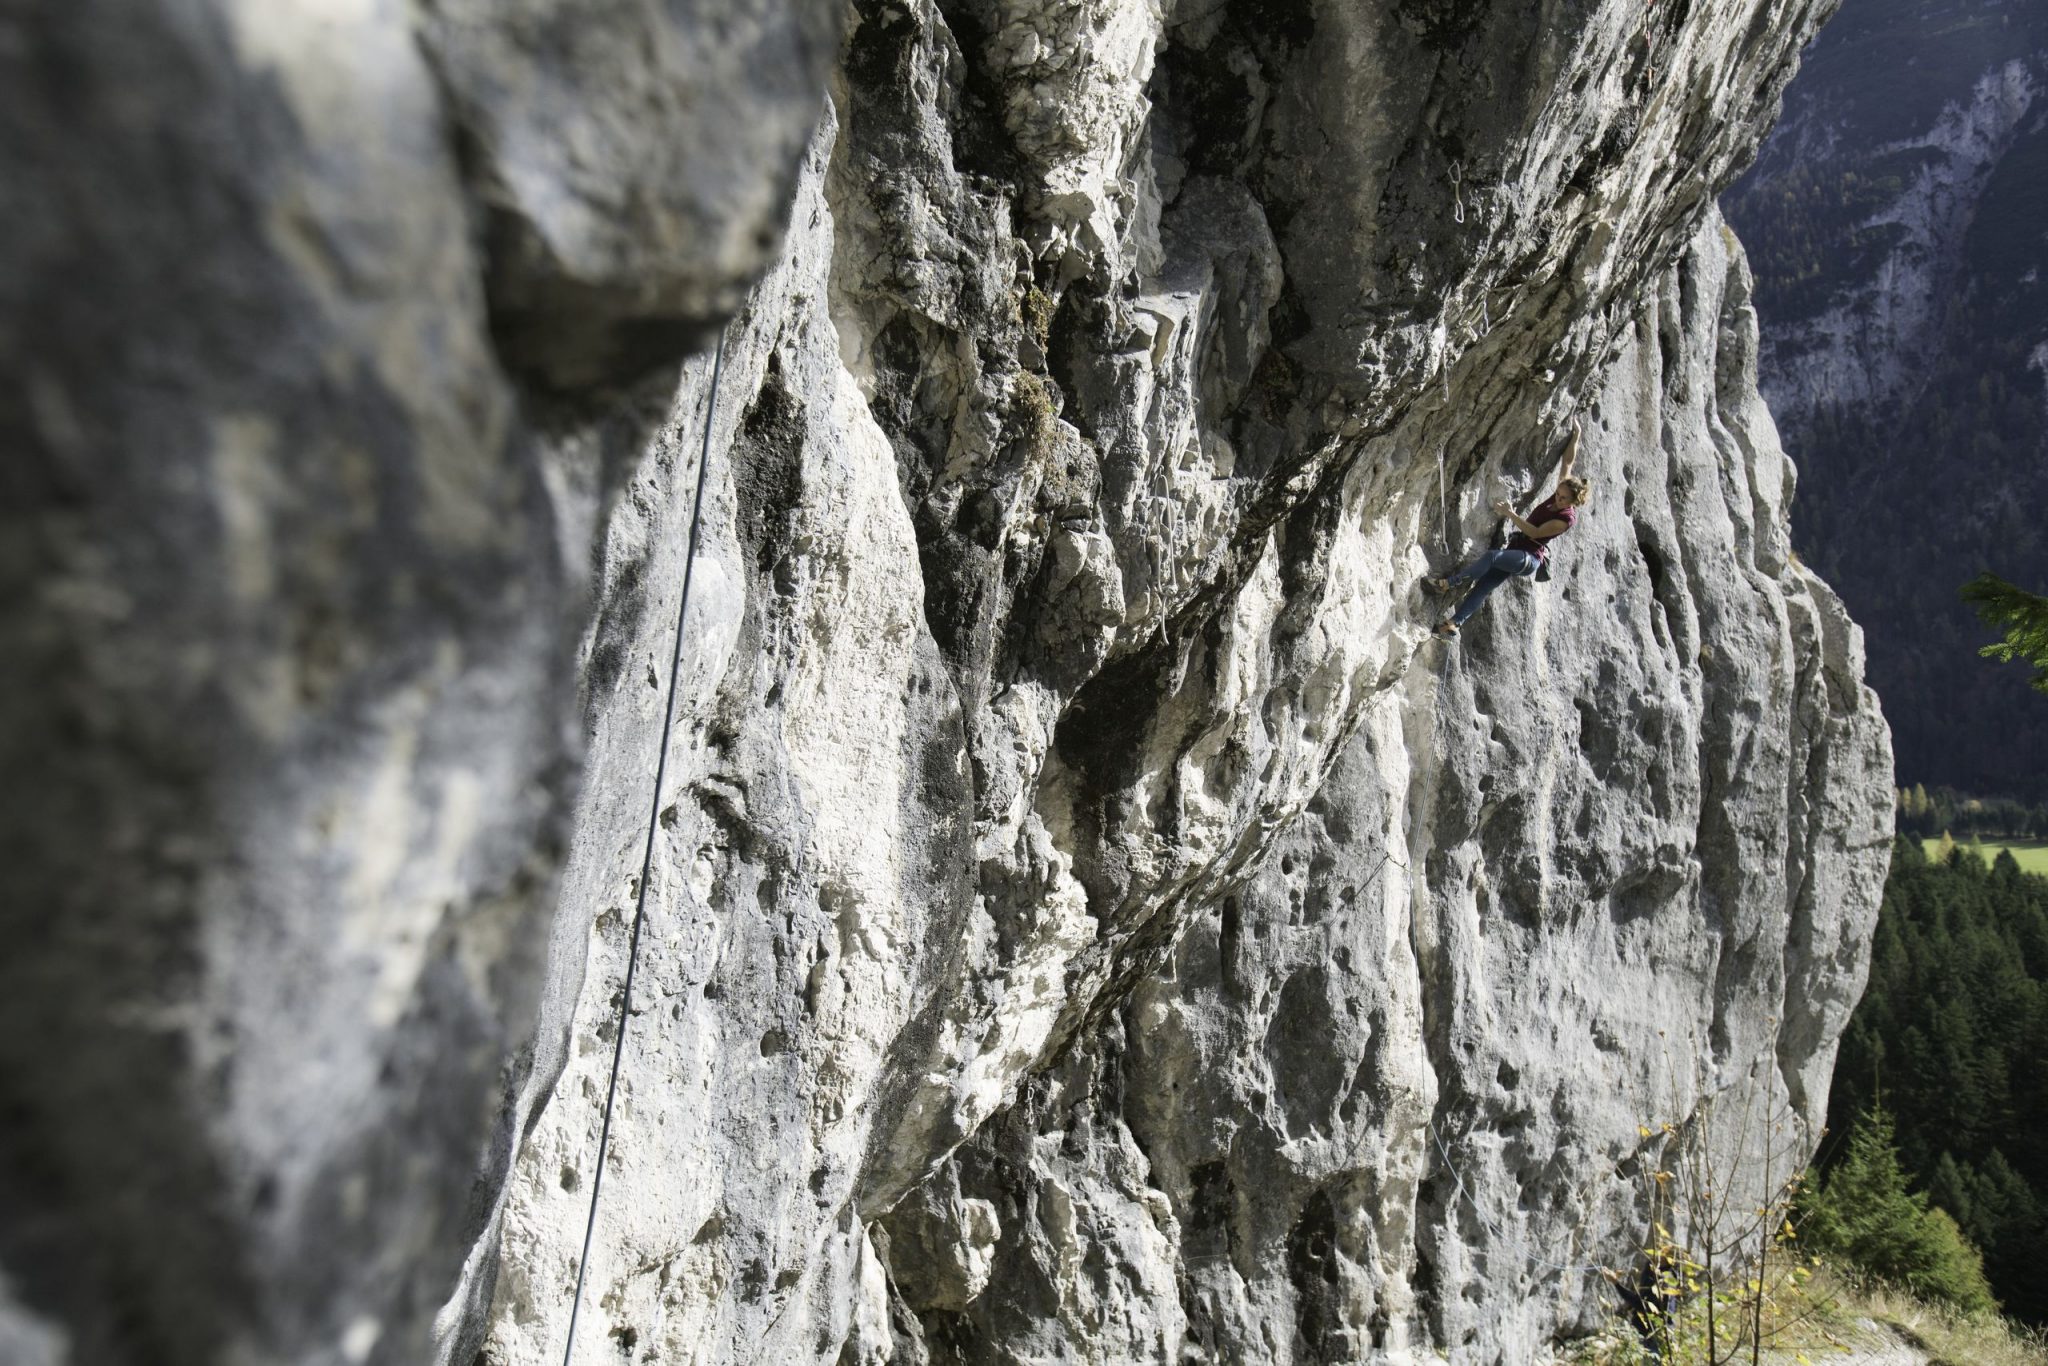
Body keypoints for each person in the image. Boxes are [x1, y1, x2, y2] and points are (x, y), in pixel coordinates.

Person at [1425, 418, 1588, 638]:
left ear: (1572, 502)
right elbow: (1568, 462)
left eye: (1563, 499)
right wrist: (1576, 436)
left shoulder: (1566, 518)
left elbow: (1535, 533)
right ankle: (1452, 625)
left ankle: (1449, 583)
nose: (1558, 499)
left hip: (1529, 559)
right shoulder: (1563, 490)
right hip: (1518, 549)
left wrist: (1510, 514)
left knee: (1492, 557)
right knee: (1483, 586)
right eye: (1558, 494)